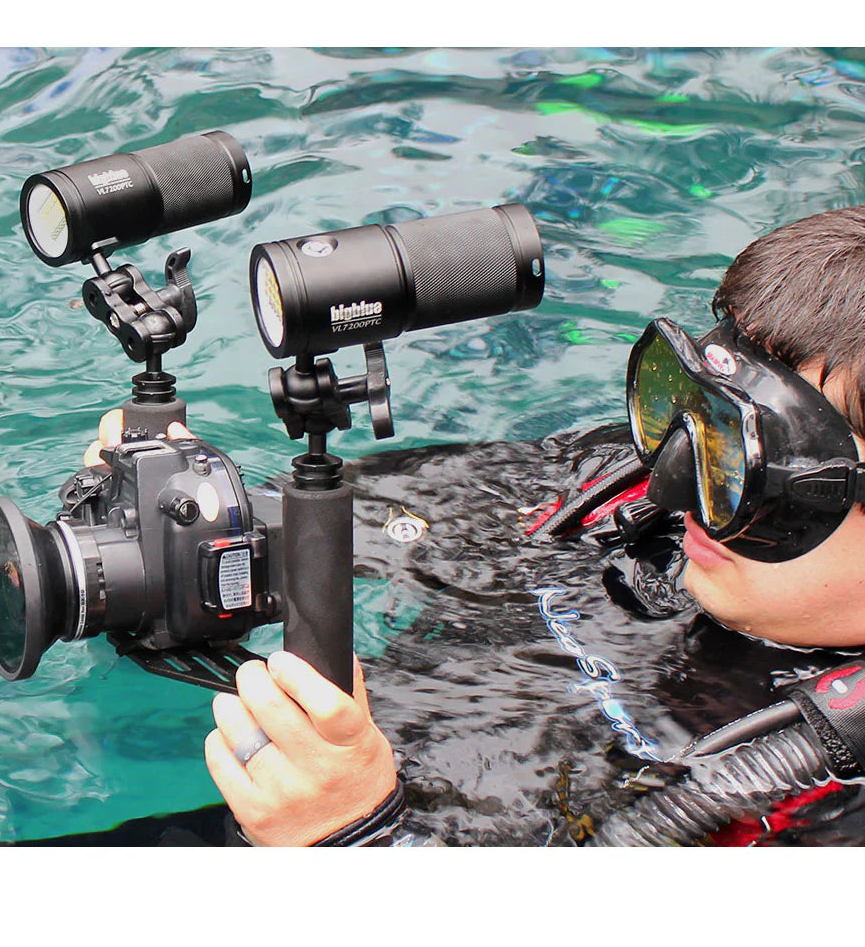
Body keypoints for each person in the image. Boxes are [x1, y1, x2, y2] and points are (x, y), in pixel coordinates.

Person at [86, 205, 865, 846]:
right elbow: (391, 519)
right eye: (694, 414)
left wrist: (360, 842)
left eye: (759, 462)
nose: (676, 481)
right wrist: (192, 516)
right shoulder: (627, 497)